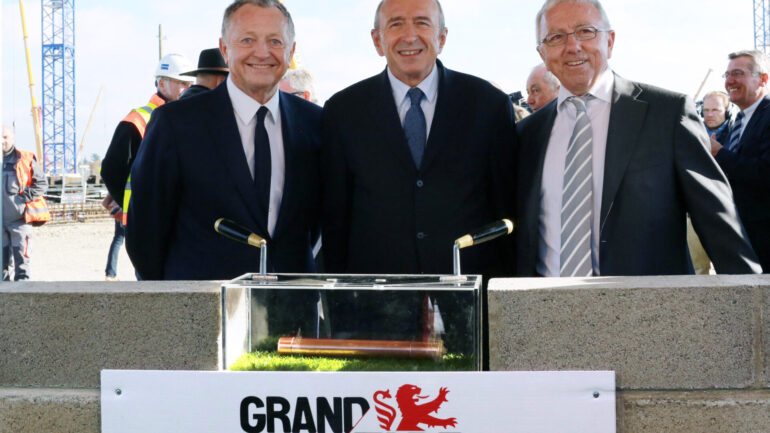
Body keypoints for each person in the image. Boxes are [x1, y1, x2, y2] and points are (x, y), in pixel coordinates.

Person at [514, 0, 760, 276]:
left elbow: (718, 224)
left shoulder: (668, 114)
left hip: (650, 312)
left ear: (610, 41)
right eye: (556, 37)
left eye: (586, 31)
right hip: (545, 310)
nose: (573, 46)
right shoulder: (527, 135)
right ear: (543, 53)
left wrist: (754, 307)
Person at [126, 0, 322, 280]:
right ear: (224, 49)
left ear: (290, 51)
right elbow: (146, 232)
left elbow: (315, 224)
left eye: (275, 41)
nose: (262, 52)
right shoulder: (175, 124)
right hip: (204, 309)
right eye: (247, 39)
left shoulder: (315, 123)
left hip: (291, 308)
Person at [322, 0, 516, 277]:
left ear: (442, 37)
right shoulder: (343, 111)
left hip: (467, 289)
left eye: (422, 23)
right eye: (396, 24)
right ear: (377, 40)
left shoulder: (488, 105)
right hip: (376, 296)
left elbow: (505, 210)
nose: (409, 36)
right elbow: (335, 219)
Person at [99, 53, 194, 280]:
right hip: (148, 224)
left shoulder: (187, 116)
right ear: (162, 83)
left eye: (189, 83)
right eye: (181, 82)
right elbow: (112, 168)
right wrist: (133, 205)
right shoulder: (138, 120)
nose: (187, 87)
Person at [710, 50, 770, 273]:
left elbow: (764, 173)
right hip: (741, 236)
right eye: (726, 75)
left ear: (763, 78)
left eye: (737, 73)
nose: (729, 81)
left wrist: (720, 154)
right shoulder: (737, 120)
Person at [2, 125, 50, 281]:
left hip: (19, 222)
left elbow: (42, 183)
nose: (2, 141)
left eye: (5, 137)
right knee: (2, 270)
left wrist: (23, 199)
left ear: (12, 138)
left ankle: (23, 300)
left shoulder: (25, 159)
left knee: (22, 266)